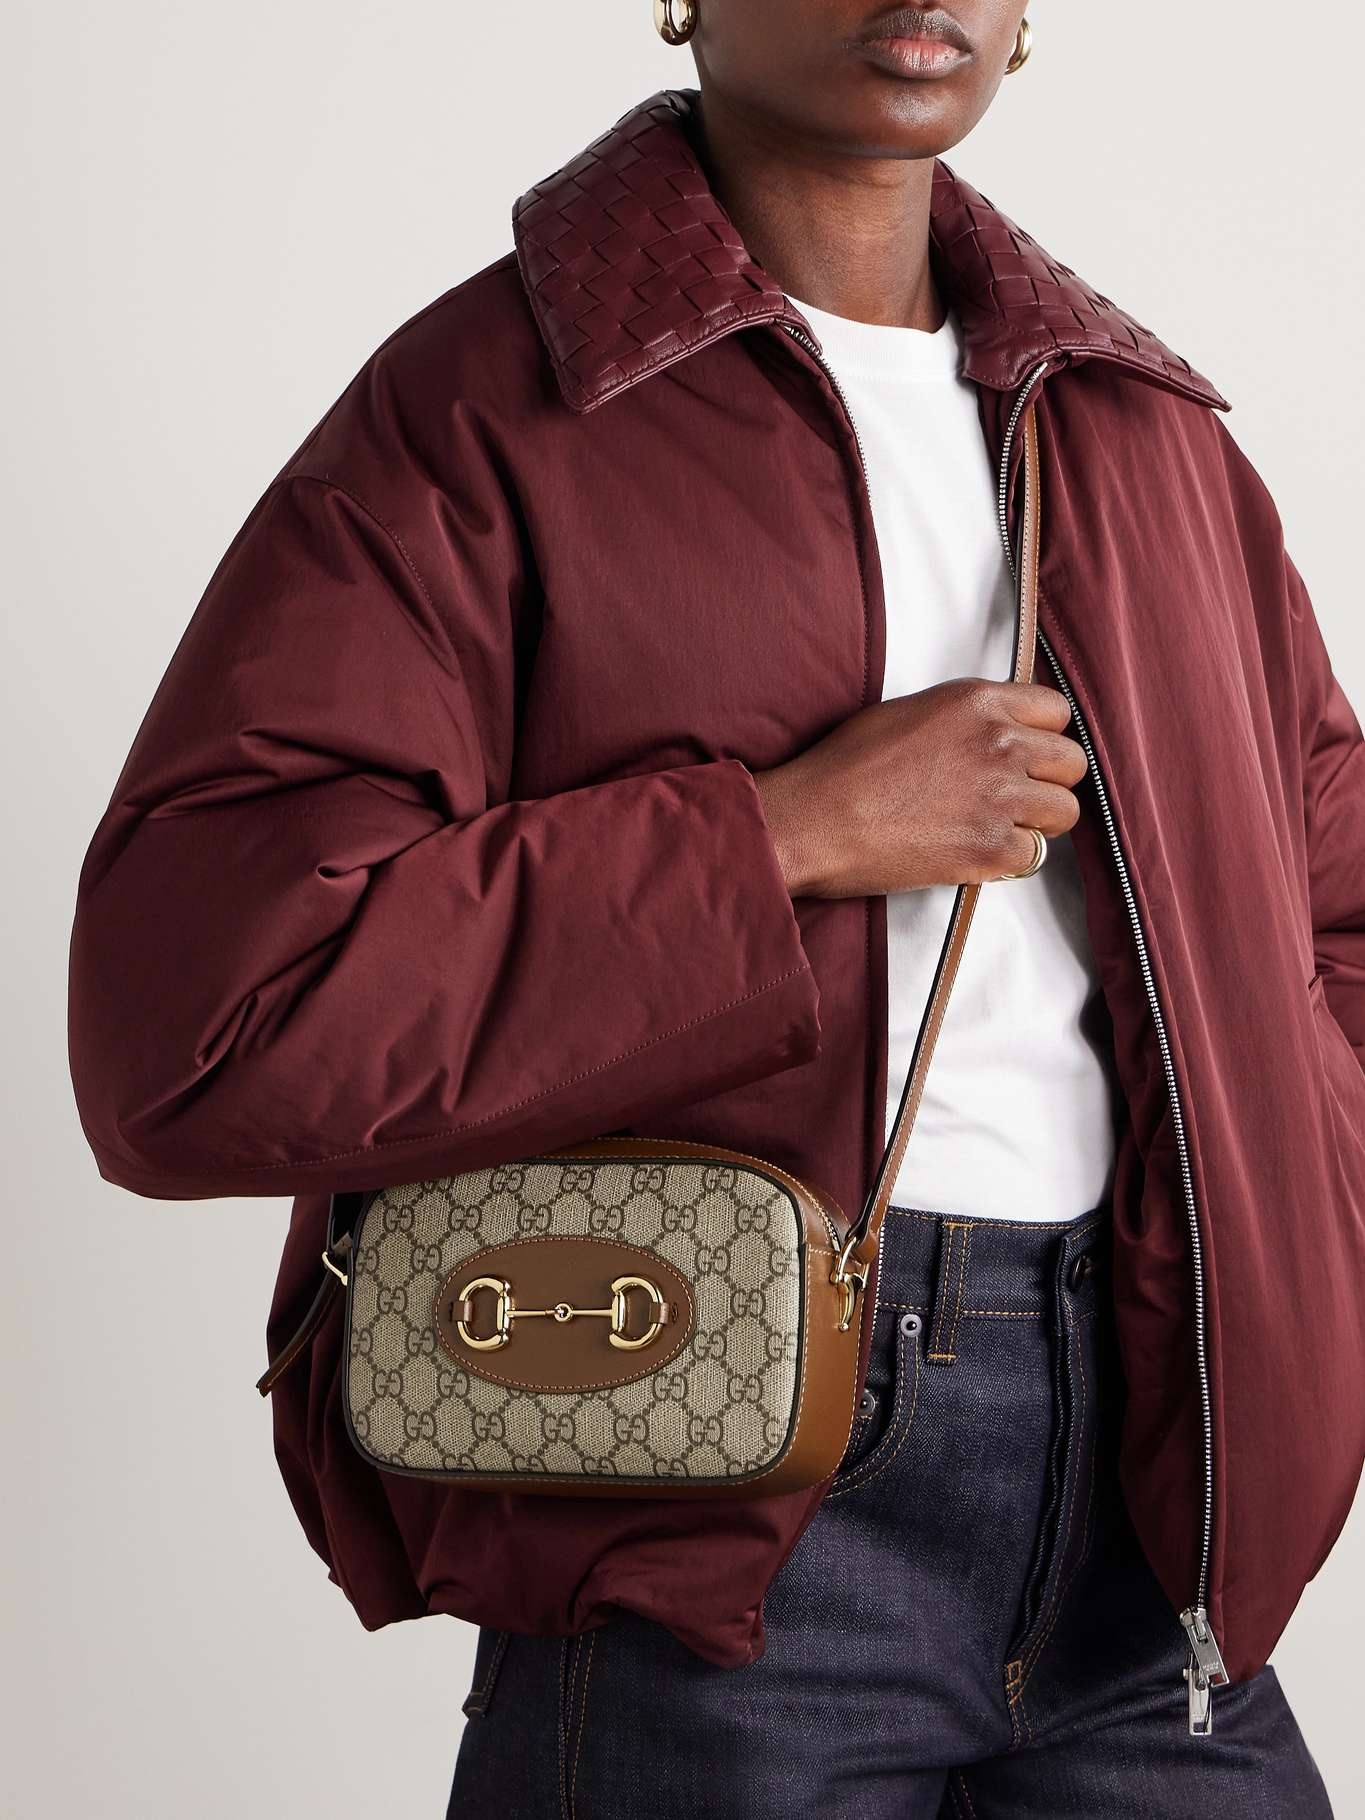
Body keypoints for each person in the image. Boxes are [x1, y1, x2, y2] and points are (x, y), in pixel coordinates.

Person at [67, 2, 1363, 1813]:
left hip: (1154, 1527)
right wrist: (778, 838)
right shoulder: (486, 411)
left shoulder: (1142, 437)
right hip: (712, 1501)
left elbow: (1331, 924)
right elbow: (200, 1029)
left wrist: (1289, 1245)